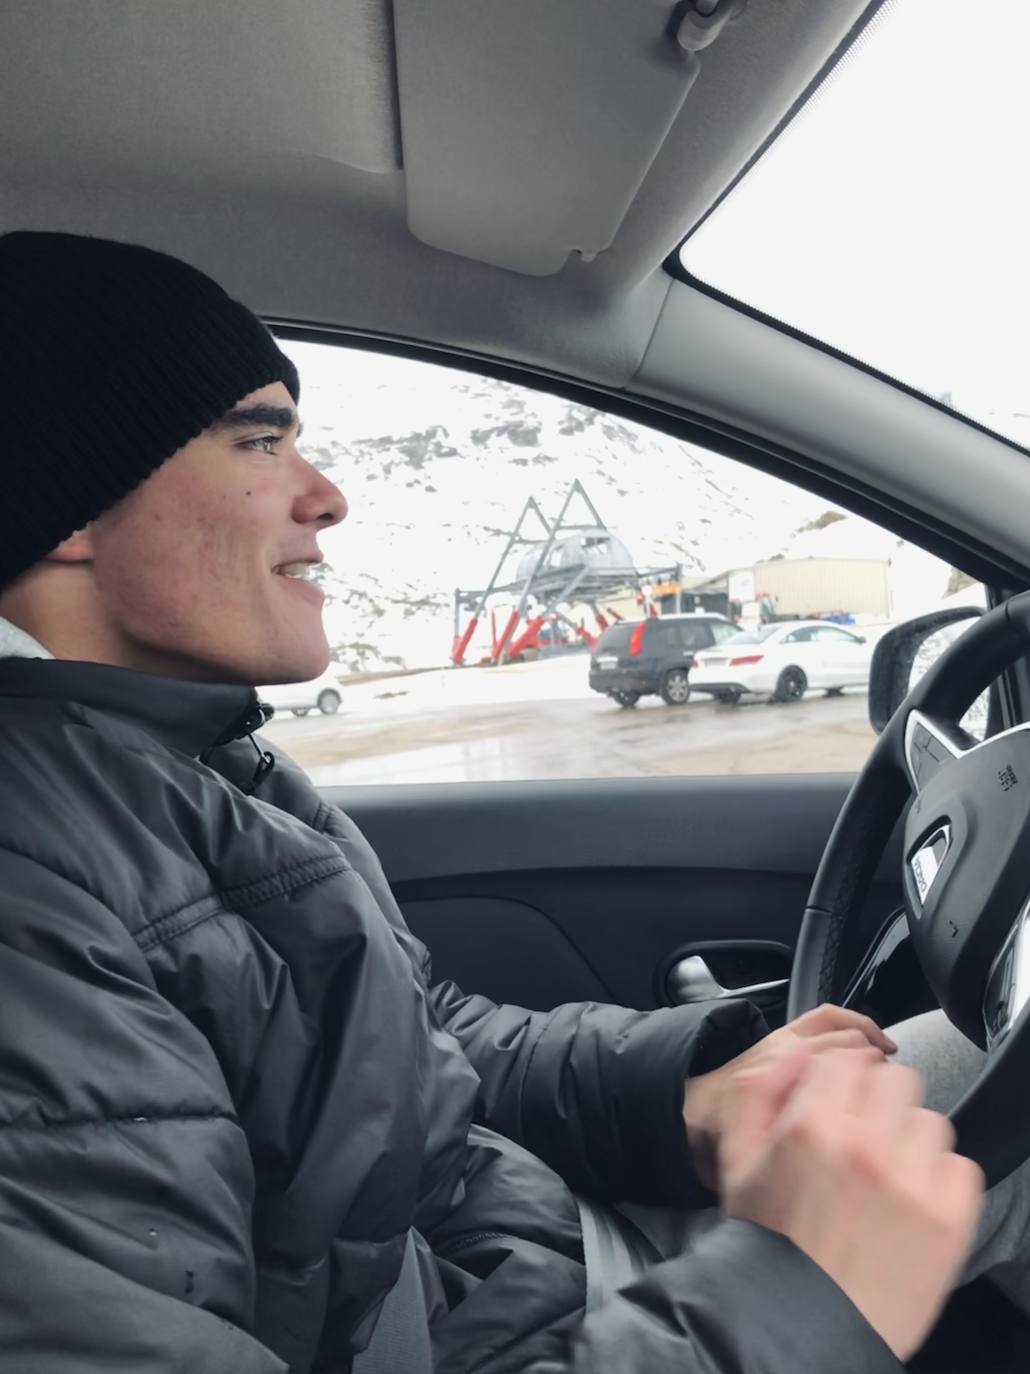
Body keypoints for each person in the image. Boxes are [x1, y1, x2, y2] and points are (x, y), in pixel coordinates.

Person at [0, 229, 1003, 1373]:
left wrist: (678, 1096)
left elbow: (416, 1046)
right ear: (72, 500)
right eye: (262, 439)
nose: (325, 496)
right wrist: (804, 1291)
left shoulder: (192, 765)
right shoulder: (35, 879)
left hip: (490, 1258)